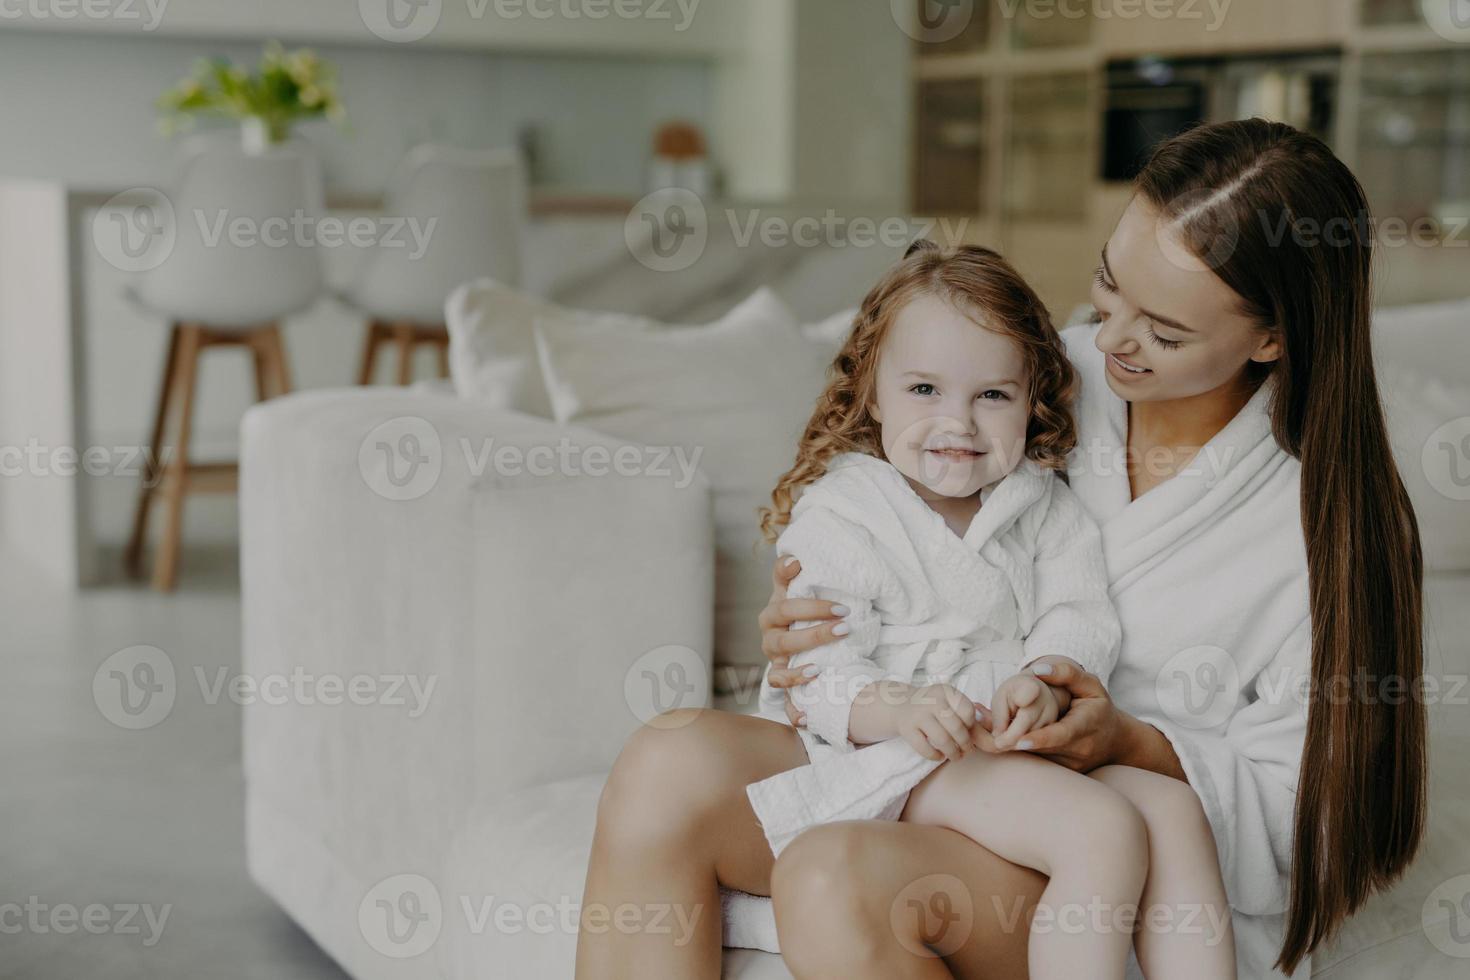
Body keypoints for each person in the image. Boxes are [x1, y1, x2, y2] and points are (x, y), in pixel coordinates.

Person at [578, 118, 1426, 980]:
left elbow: (1310, 823)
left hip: (1104, 860)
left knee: (836, 875)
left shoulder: (1328, 526)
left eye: (1164, 332)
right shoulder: (1028, 375)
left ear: (1272, 337)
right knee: (668, 762)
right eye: (1107, 287)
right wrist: (815, 621)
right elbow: (890, 502)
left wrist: (1125, 742)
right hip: (927, 748)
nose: (1110, 339)